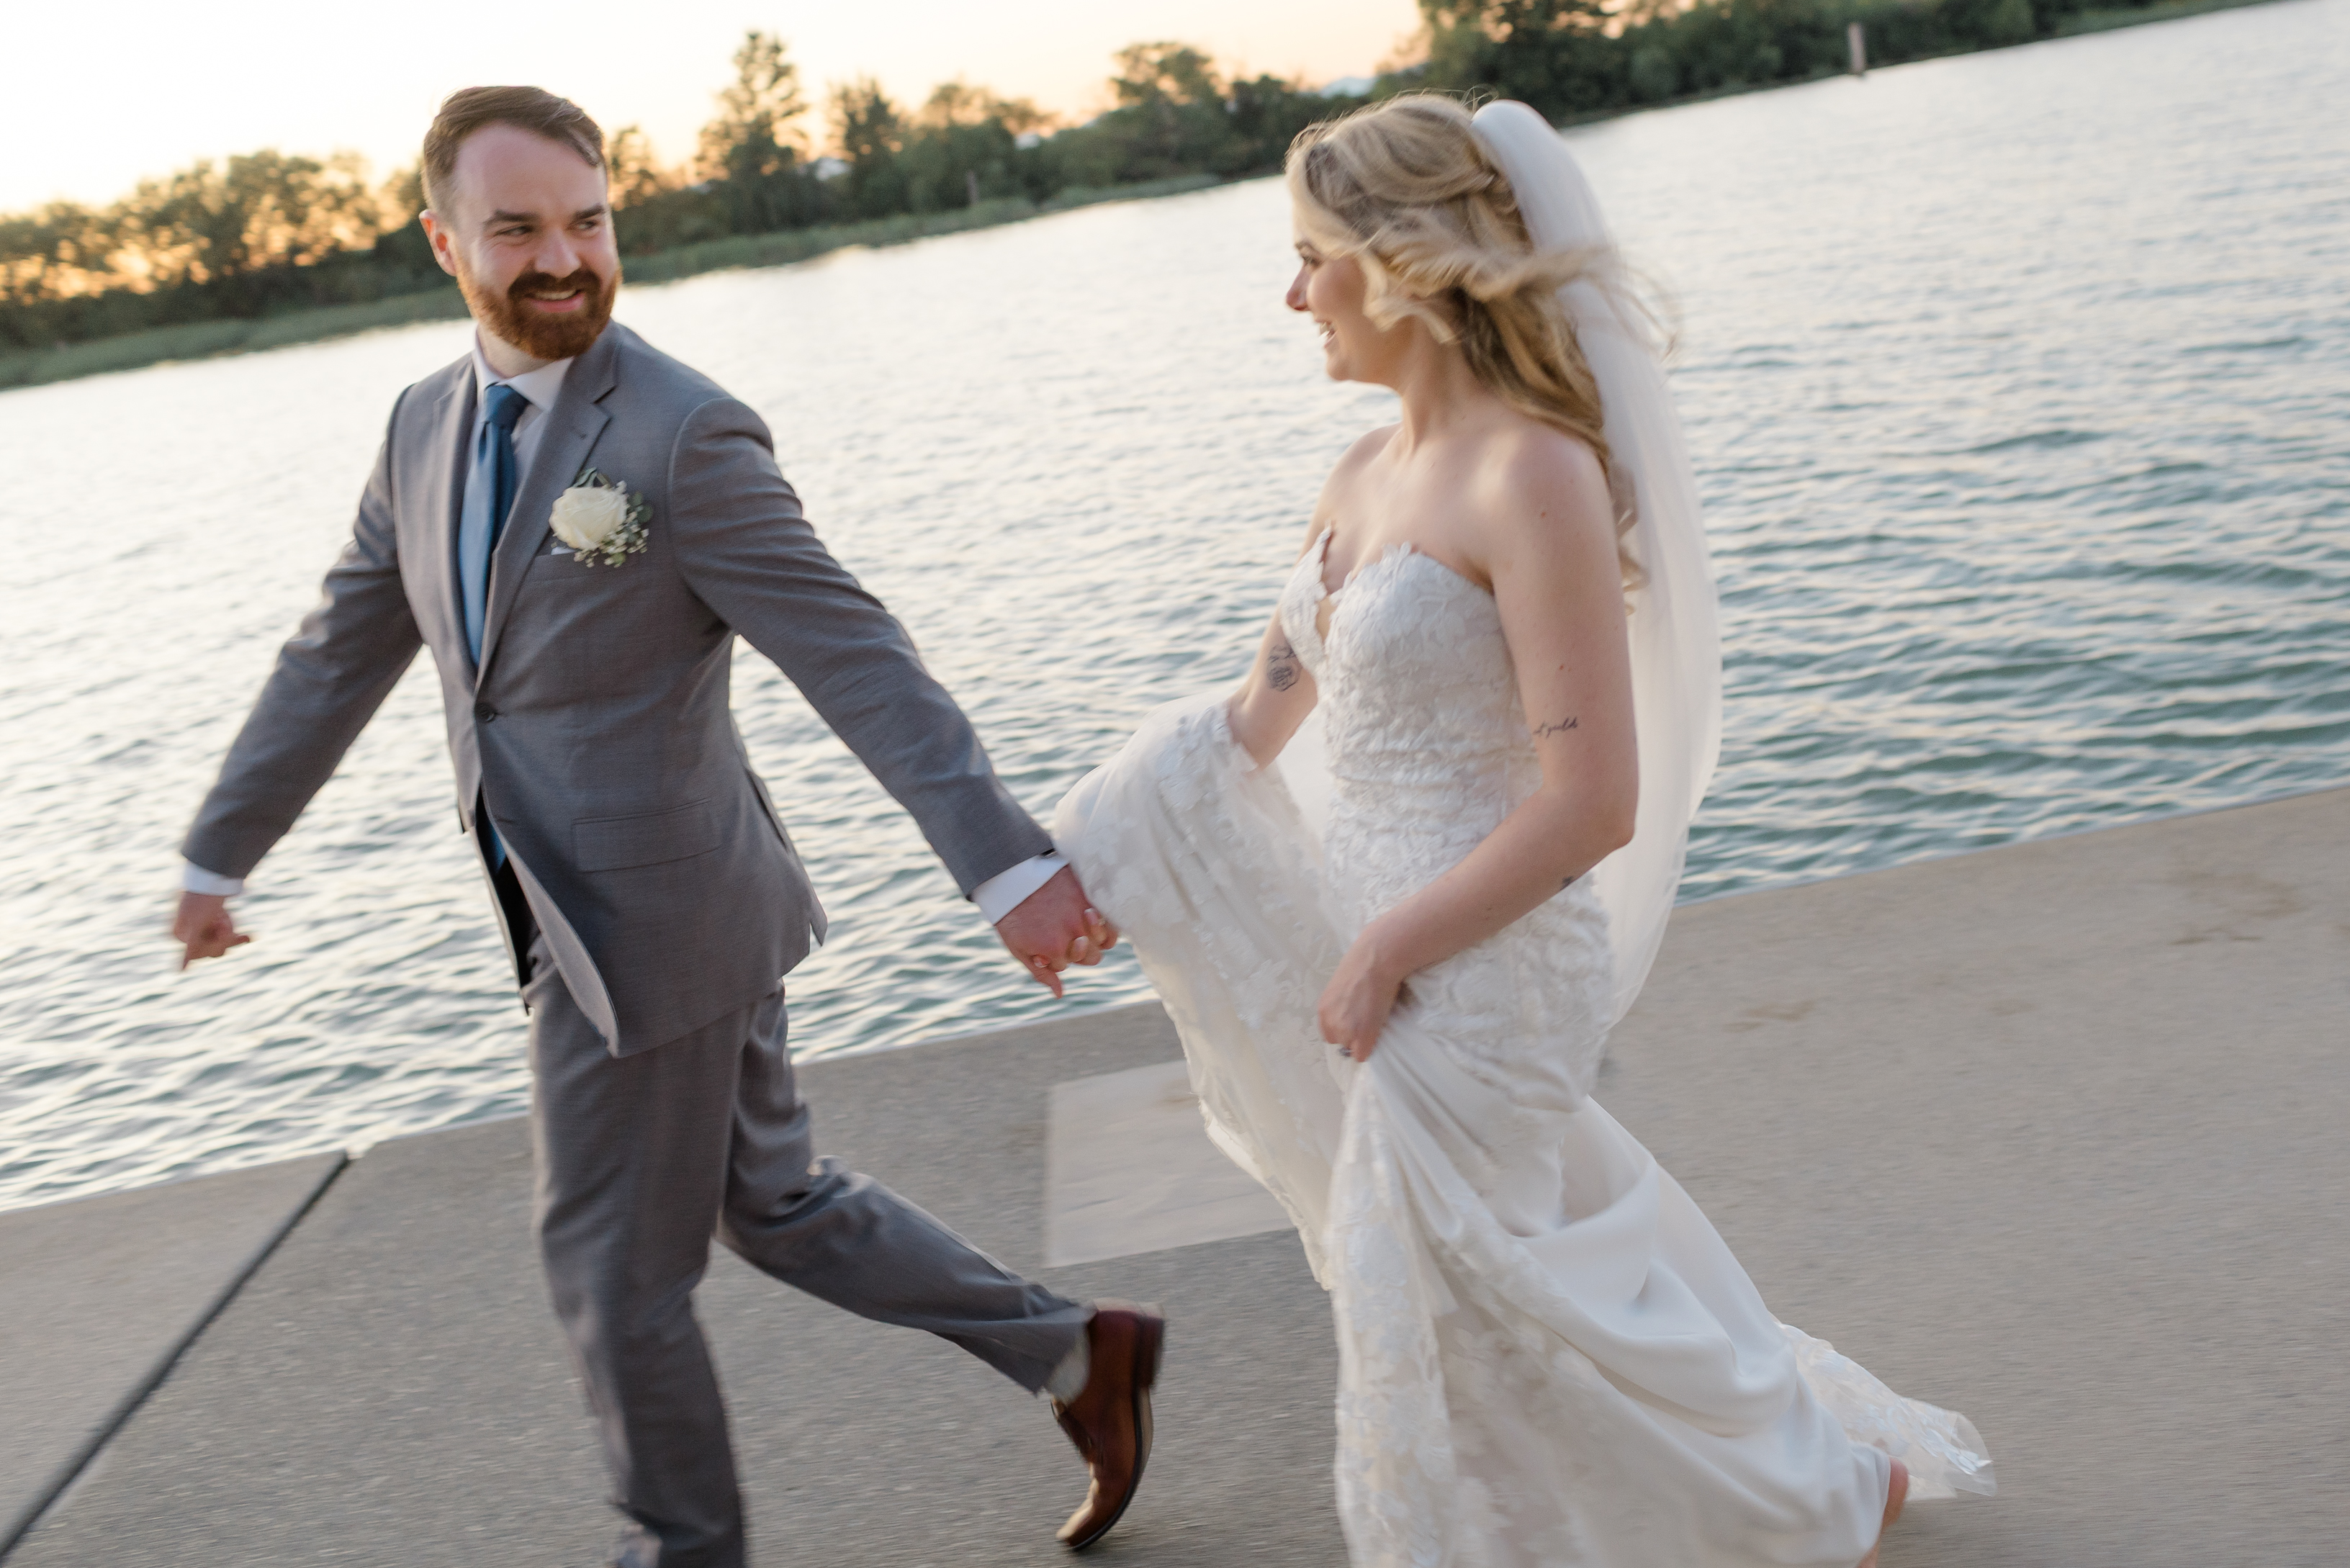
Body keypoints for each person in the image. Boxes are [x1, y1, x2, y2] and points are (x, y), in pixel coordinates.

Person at [169, 85, 1162, 1567]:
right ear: (444, 240)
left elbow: (856, 657)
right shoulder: (421, 426)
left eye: (589, 221)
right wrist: (218, 847)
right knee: (772, 1203)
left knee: (606, 1272)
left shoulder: (684, 436)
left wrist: (1008, 864)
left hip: (653, 927)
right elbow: (338, 649)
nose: (563, 257)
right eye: (518, 230)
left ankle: (680, 1551)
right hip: (566, 907)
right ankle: (1083, 1357)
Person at [1055, 95, 1994, 1567]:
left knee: (1444, 1289)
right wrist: (1093, 864)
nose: (1291, 293)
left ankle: (1804, 1502)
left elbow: (1592, 804)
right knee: (1511, 1286)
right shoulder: (1360, 475)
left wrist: (1389, 947)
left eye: (1310, 256)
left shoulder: (1536, 475)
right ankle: (1782, 1472)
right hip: (1369, 944)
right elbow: (1259, 708)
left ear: (1406, 262)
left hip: (1487, 964)